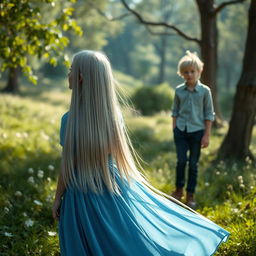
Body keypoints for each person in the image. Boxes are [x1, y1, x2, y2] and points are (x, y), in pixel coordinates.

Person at [52, 50, 228, 256]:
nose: (69, 74)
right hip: (112, 186)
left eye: (72, 69)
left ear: (81, 77)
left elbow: (67, 165)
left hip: (79, 194)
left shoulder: (69, 120)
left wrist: (57, 198)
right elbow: (116, 156)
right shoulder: (114, 117)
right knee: (124, 239)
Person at [171, 51, 215, 208]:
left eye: (192, 71)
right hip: (181, 131)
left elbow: (209, 114)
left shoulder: (205, 91)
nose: (189, 75)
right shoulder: (178, 91)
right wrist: (174, 129)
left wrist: (206, 135)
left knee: (194, 164)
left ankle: (190, 195)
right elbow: (174, 111)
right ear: (181, 74)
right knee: (181, 161)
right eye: (185, 72)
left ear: (199, 71)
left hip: (197, 132)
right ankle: (178, 191)